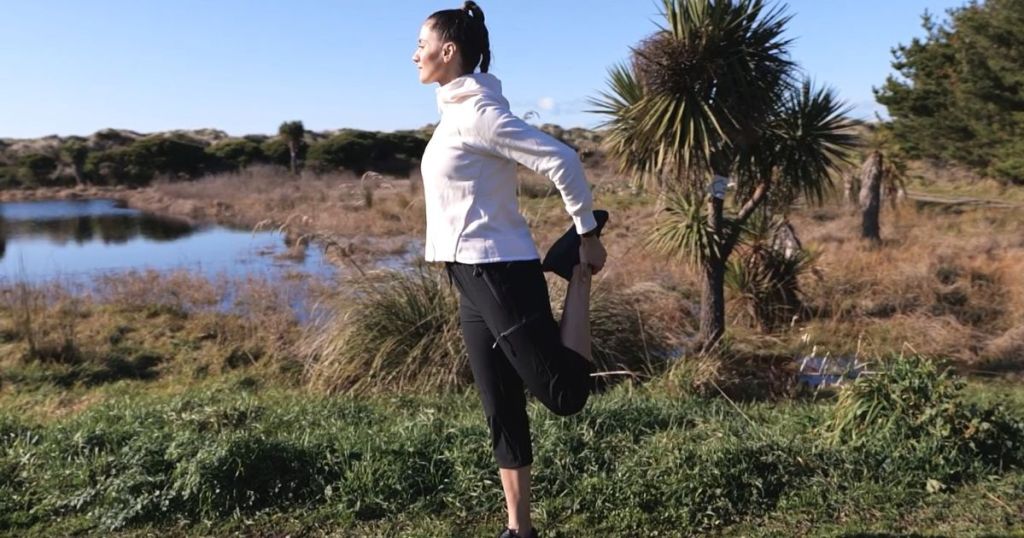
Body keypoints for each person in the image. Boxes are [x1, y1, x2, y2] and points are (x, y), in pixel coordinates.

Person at [412, 3, 607, 537]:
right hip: (468, 278)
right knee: (499, 403)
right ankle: (518, 529)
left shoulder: (477, 114)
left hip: (499, 270)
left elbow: (561, 159)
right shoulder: (456, 112)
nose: (414, 55)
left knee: (564, 395)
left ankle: (577, 270)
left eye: (421, 45)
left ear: (447, 51)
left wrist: (586, 232)